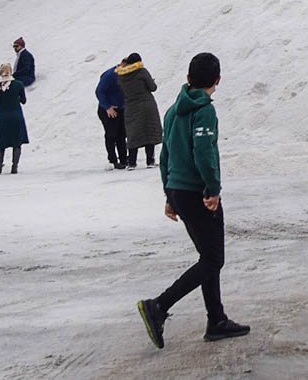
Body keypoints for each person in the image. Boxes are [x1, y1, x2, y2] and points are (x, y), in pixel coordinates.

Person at [137, 52, 250, 349]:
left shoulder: (174, 110)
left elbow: (164, 157)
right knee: (214, 258)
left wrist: (168, 193)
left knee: (208, 257)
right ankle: (159, 306)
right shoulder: (204, 111)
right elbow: (203, 151)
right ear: (218, 80)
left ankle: (216, 320)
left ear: (188, 79)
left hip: (178, 189)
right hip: (197, 192)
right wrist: (213, 188)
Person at [118, 54, 164, 169]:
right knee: (149, 131)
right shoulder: (142, 72)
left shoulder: (121, 75)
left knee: (133, 134)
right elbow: (152, 87)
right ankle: (150, 161)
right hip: (146, 105)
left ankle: (132, 162)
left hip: (131, 107)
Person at [0, 65, 29, 175]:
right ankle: (14, 166)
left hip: (3, 117)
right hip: (16, 115)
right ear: (11, 72)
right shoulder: (18, 85)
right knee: (17, 142)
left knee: (1, 142)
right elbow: (23, 100)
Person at [98, 63, 129, 169]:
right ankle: (113, 159)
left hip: (120, 108)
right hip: (108, 110)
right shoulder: (111, 75)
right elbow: (99, 91)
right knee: (111, 135)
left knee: (122, 134)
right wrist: (107, 107)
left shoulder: (125, 73)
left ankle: (124, 159)